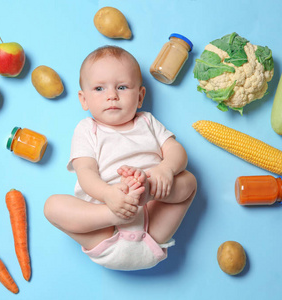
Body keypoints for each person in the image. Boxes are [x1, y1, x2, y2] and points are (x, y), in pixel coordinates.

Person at [44, 45, 197, 271]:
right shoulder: (87, 129)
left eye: (122, 87)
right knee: (52, 206)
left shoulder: (147, 122)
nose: (112, 95)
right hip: (105, 233)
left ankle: (148, 191)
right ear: (83, 99)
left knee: (188, 181)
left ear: (140, 96)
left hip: (153, 229)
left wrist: (165, 169)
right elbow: (85, 172)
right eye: (99, 88)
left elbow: (176, 151)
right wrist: (109, 197)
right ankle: (115, 212)